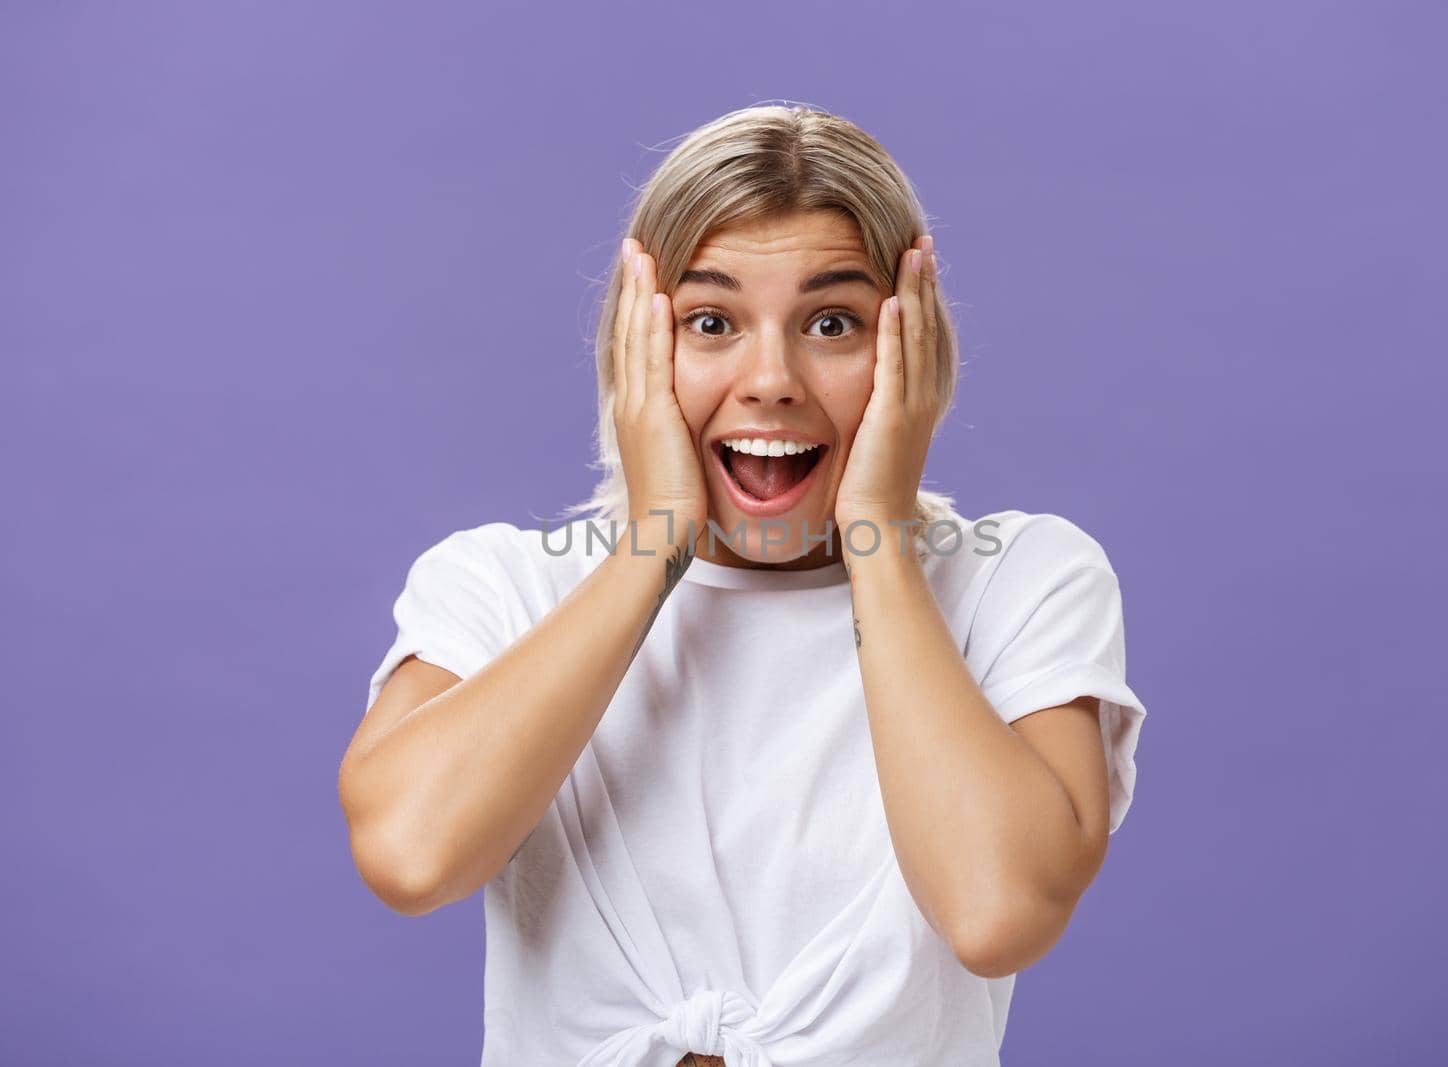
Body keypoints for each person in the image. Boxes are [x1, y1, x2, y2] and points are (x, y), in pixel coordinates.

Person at [340, 104, 1148, 1066]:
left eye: (834, 322)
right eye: (712, 321)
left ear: (913, 350)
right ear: (635, 348)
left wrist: (879, 535)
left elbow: (996, 912)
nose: (771, 378)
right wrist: (652, 546)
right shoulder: (503, 583)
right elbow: (410, 854)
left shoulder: (1022, 580)